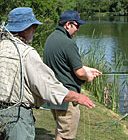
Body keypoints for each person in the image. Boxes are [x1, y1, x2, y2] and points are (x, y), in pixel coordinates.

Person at [0, 7, 96, 140]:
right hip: (16, 116)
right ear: (26, 29)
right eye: (34, 28)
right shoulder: (27, 53)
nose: (34, 32)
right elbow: (48, 87)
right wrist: (77, 97)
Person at [43, 10, 102, 140]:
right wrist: (88, 77)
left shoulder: (51, 38)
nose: (78, 29)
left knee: (61, 130)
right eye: (77, 26)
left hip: (54, 95)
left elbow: (63, 64)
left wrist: (87, 69)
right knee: (65, 136)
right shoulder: (68, 43)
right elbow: (79, 73)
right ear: (68, 24)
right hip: (68, 97)